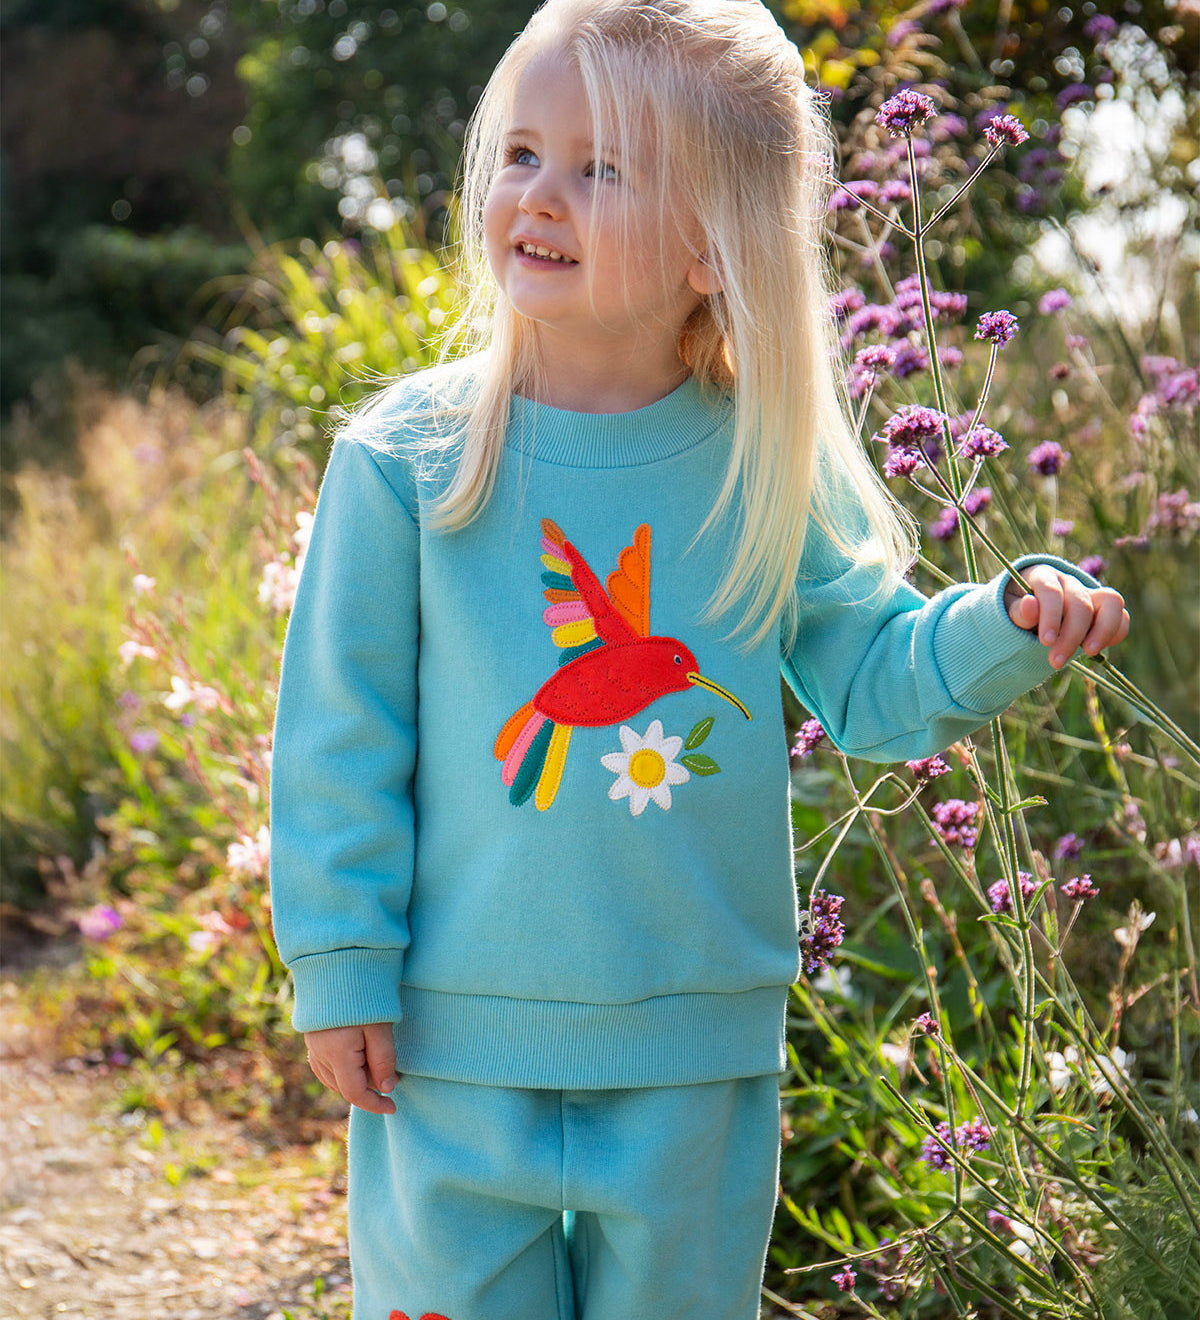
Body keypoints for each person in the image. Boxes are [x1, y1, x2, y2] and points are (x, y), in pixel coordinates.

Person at [268, 2, 1130, 1317]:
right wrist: (339, 966)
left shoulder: (759, 467)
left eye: (599, 167)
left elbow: (877, 680)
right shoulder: (408, 462)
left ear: (713, 248)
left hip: (694, 1052)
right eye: (520, 152)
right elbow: (341, 735)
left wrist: (1005, 621)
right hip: (448, 1051)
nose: (537, 194)